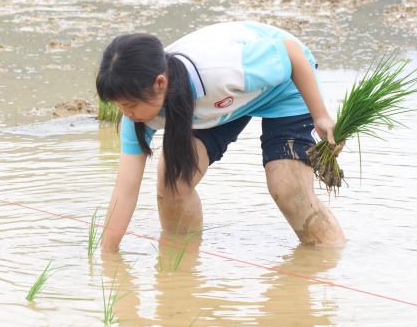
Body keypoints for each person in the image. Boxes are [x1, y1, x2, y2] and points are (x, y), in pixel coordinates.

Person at [95, 21, 346, 252]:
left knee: (288, 189)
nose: (126, 114)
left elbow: (292, 53)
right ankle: (181, 270)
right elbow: (125, 190)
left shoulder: (221, 69)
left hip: (283, 86)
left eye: (129, 105)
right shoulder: (136, 116)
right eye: (119, 106)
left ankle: (332, 262)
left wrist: (320, 116)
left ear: (160, 83)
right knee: (173, 181)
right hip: (215, 105)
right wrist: (107, 255)